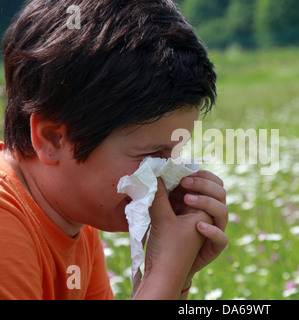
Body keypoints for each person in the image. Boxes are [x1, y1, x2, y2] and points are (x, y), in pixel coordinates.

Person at [0, 0, 228, 300]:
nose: (165, 178)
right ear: (54, 139)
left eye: (173, 155)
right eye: (150, 156)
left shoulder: (74, 219)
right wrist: (166, 273)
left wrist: (177, 278)